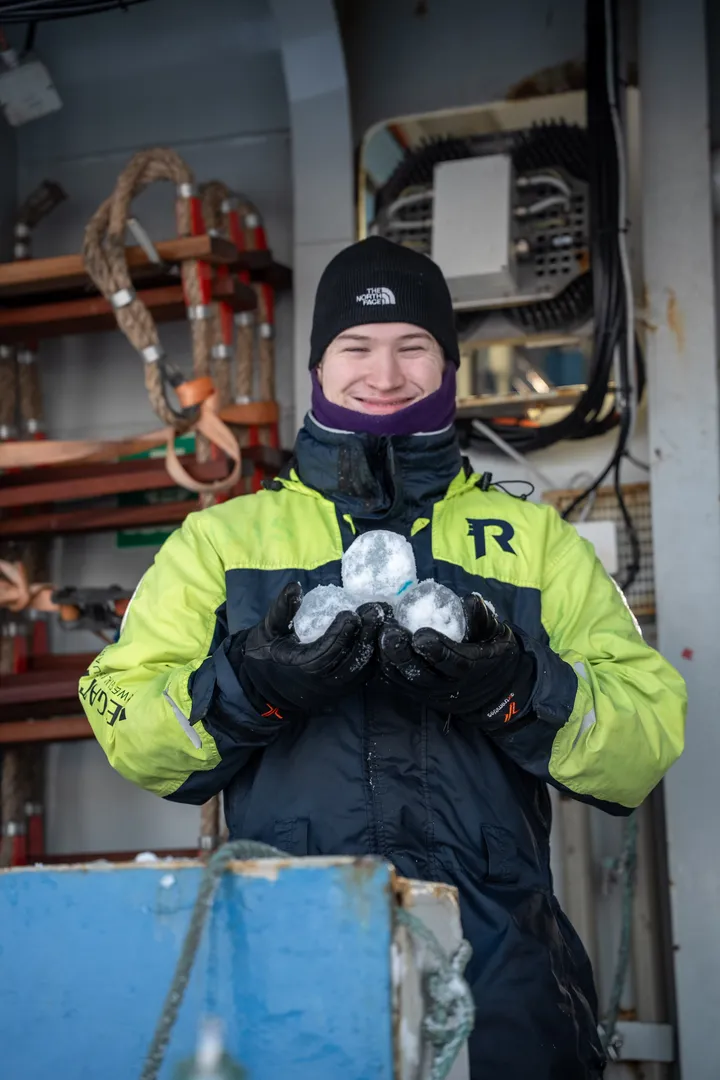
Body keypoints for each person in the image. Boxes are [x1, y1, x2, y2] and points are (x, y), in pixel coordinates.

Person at [79, 237, 686, 1079]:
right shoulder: (221, 541)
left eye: (413, 346)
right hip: (291, 966)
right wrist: (252, 684)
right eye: (356, 347)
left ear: (449, 365)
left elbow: (646, 738)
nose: (385, 373)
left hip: (502, 978)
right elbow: (127, 724)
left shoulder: (534, 542)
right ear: (318, 366)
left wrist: (516, 691)